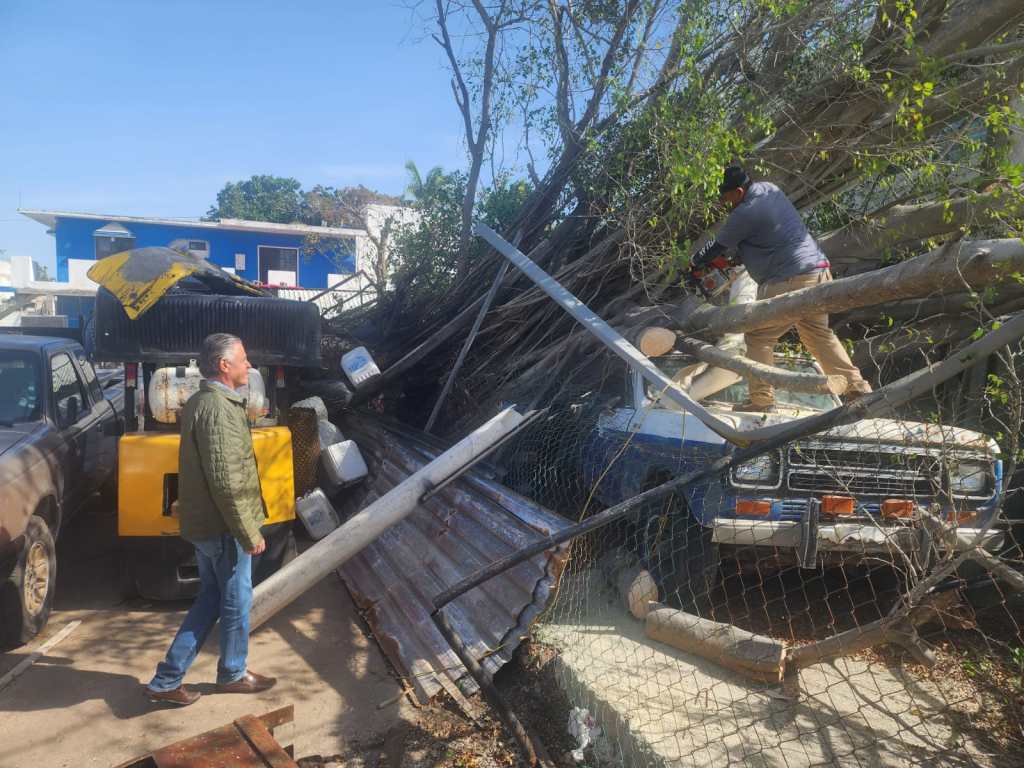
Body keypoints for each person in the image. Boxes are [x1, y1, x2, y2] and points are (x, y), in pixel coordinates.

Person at [145, 333, 276, 706]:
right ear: (224, 365)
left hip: (210, 524)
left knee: (212, 597)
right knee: (235, 600)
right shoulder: (217, 409)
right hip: (223, 528)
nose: (248, 365)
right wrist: (248, 530)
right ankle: (231, 674)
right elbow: (226, 479)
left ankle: (167, 680)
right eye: (244, 359)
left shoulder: (207, 402)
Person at [689, 166, 872, 412]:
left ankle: (761, 401)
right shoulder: (770, 190)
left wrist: (694, 264)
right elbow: (769, 237)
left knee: (758, 337)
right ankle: (857, 389)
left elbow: (714, 248)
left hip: (789, 280)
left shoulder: (744, 213)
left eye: (725, 196)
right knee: (818, 335)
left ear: (739, 191)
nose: (723, 201)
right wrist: (740, 259)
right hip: (817, 271)